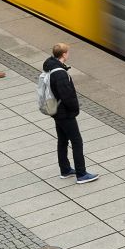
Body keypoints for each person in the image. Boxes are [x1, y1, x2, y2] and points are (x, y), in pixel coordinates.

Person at [43, 43, 98, 184]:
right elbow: (67, 95)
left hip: (57, 111)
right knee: (77, 141)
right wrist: (75, 110)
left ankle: (65, 170)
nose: (69, 54)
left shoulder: (51, 67)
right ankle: (81, 174)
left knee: (62, 140)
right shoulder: (60, 73)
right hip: (64, 113)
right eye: (68, 52)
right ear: (64, 54)